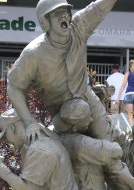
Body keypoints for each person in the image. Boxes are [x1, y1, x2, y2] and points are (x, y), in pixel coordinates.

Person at [7, 0, 118, 144]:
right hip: (63, 114)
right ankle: (58, 133)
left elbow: (97, 9)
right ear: (45, 22)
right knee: (79, 113)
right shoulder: (33, 54)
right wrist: (29, 122)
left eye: (65, 11)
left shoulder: (79, 28)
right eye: (56, 14)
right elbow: (15, 86)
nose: (64, 16)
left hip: (88, 98)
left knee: (108, 141)